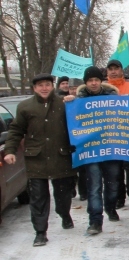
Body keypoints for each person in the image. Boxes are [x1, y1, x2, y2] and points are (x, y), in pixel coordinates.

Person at [2, 74, 76, 246]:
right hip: (36, 158)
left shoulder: (64, 104)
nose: (44, 88)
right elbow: (15, 131)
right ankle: (40, 232)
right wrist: (10, 151)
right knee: (38, 197)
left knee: (63, 193)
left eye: (47, 85)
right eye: (40, 85)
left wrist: (75, 101)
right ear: (34, 88)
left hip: (61, 156)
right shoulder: (25, 107)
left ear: (52, 86)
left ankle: (64, 213)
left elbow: (78, 124)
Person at [74, 66, 120, 235]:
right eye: (90, 80)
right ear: (85, 82)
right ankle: (95, 221)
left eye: (96, 80)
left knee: (113, 184)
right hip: (91, 150)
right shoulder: (78, 101)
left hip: (111, 148)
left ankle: (110, 207)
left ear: (101, 81)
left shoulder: (113, 98)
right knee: (94, 186)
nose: (93, 83)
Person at [106, 59, 129, 209]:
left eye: (116, 68)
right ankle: (119, 198)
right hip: (111, 136)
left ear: (121, 70)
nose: (113, 71)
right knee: (115, 170)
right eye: (110, 69)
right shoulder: (103, 88)